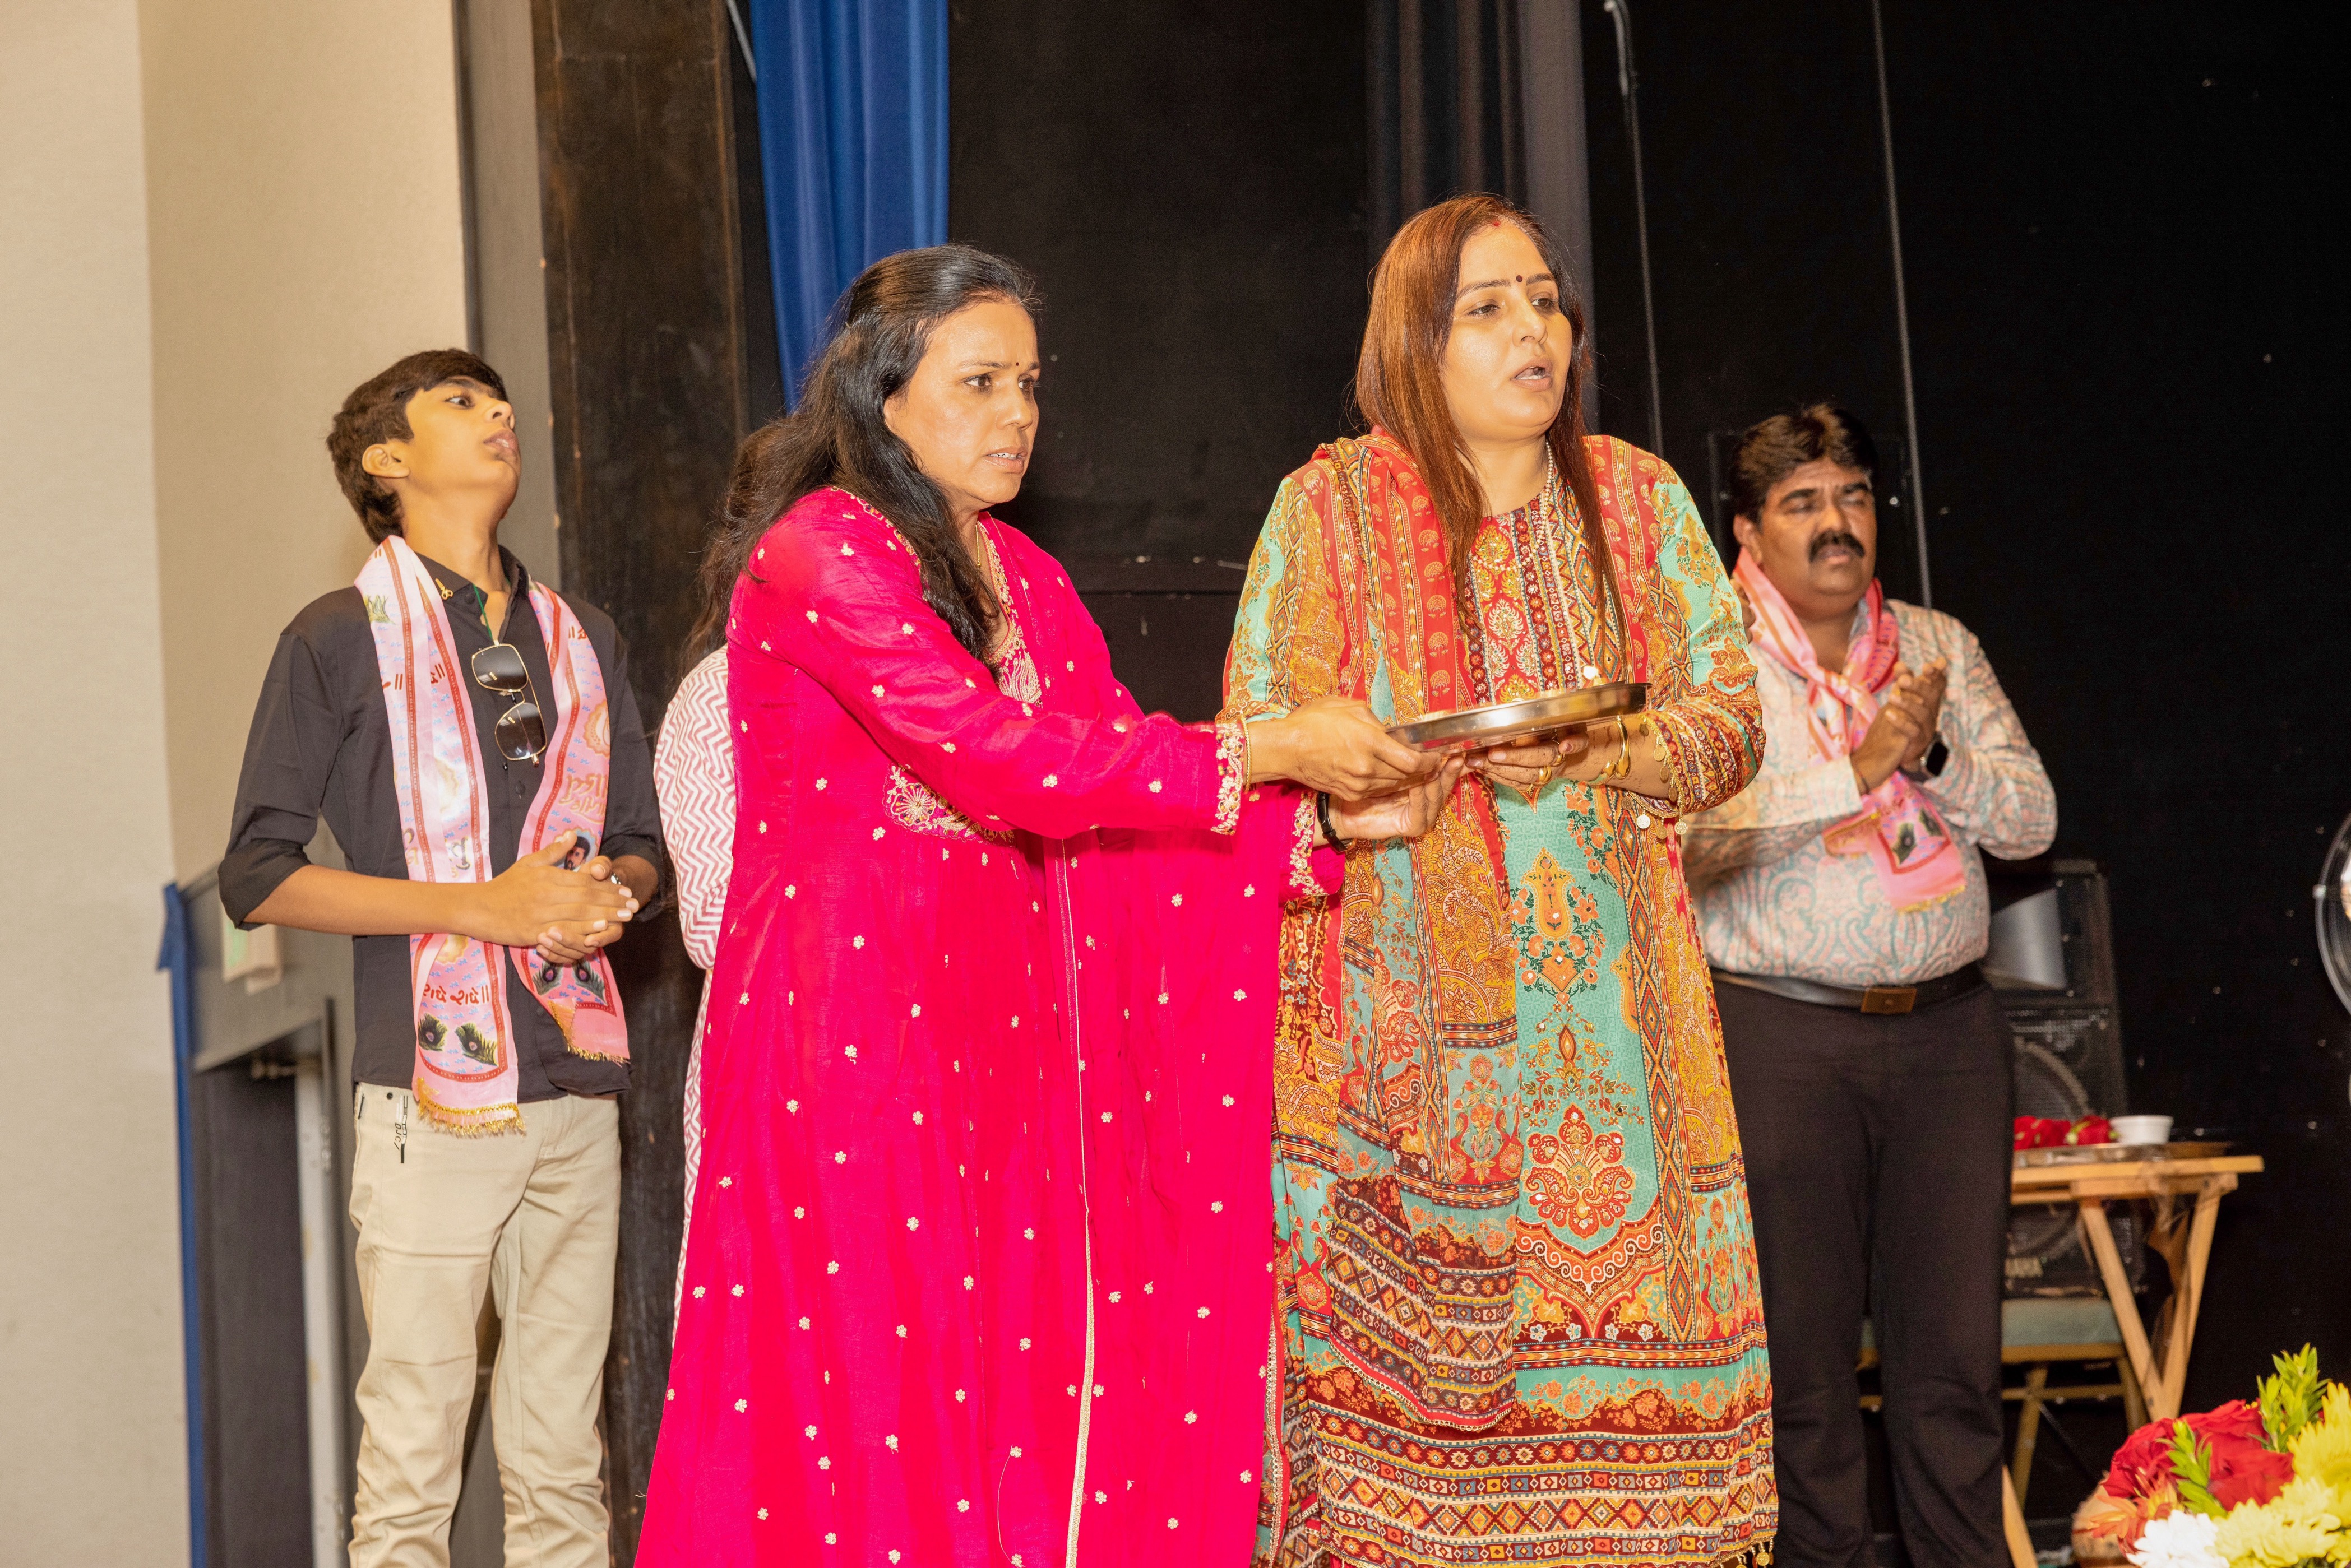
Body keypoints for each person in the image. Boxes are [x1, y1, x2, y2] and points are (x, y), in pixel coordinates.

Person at [636, 245, 1463, 1567]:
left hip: (1010, 1049)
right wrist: (1269, 746)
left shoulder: (1027, 576)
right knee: (874, 1398)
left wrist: (1317, 823)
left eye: (1028, 383)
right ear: (882, 395)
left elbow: (1118, 782)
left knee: (1016, 1394)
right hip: (851, 1052)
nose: (1017, 412)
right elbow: (998, 758)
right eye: (979, 382)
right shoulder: (817, 552)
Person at [1227, 193, 1776, 1567]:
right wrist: (1356, 791)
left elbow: (1732, 721)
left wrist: (1607, 751)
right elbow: (1255, 745)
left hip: (1628, 1063)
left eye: (1545, 300)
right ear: (1416, 341)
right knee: (1403, 1464)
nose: (1534, 328)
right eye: (1487, 307)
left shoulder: (1636, 497)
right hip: (1400, 1058)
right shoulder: (1329, 509)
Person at [219, 349, 664, 1566]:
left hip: (574, 1083)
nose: (500, 411)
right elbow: (257, 874)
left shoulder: (583, 635)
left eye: (498, 397)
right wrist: (484, 908)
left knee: (564, 1464)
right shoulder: (336, 635)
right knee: (413, 1466)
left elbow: (640, 847)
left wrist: (603, 897)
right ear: (387, 460)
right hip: (430, 1094)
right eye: (459, 402)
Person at [1684, 404, 2056, 1568]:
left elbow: (2033, 821)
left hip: (1948, 1042)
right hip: (1781, 1041)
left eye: (1851, 497)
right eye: (1801, 503)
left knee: (1954, 1371)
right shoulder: (1711, 662)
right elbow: (1692, 841)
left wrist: (1930, 752)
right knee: (1801, 1374)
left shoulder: (1940, 647)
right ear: (1746, 530)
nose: (1835, 523)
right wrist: (1856, 769)